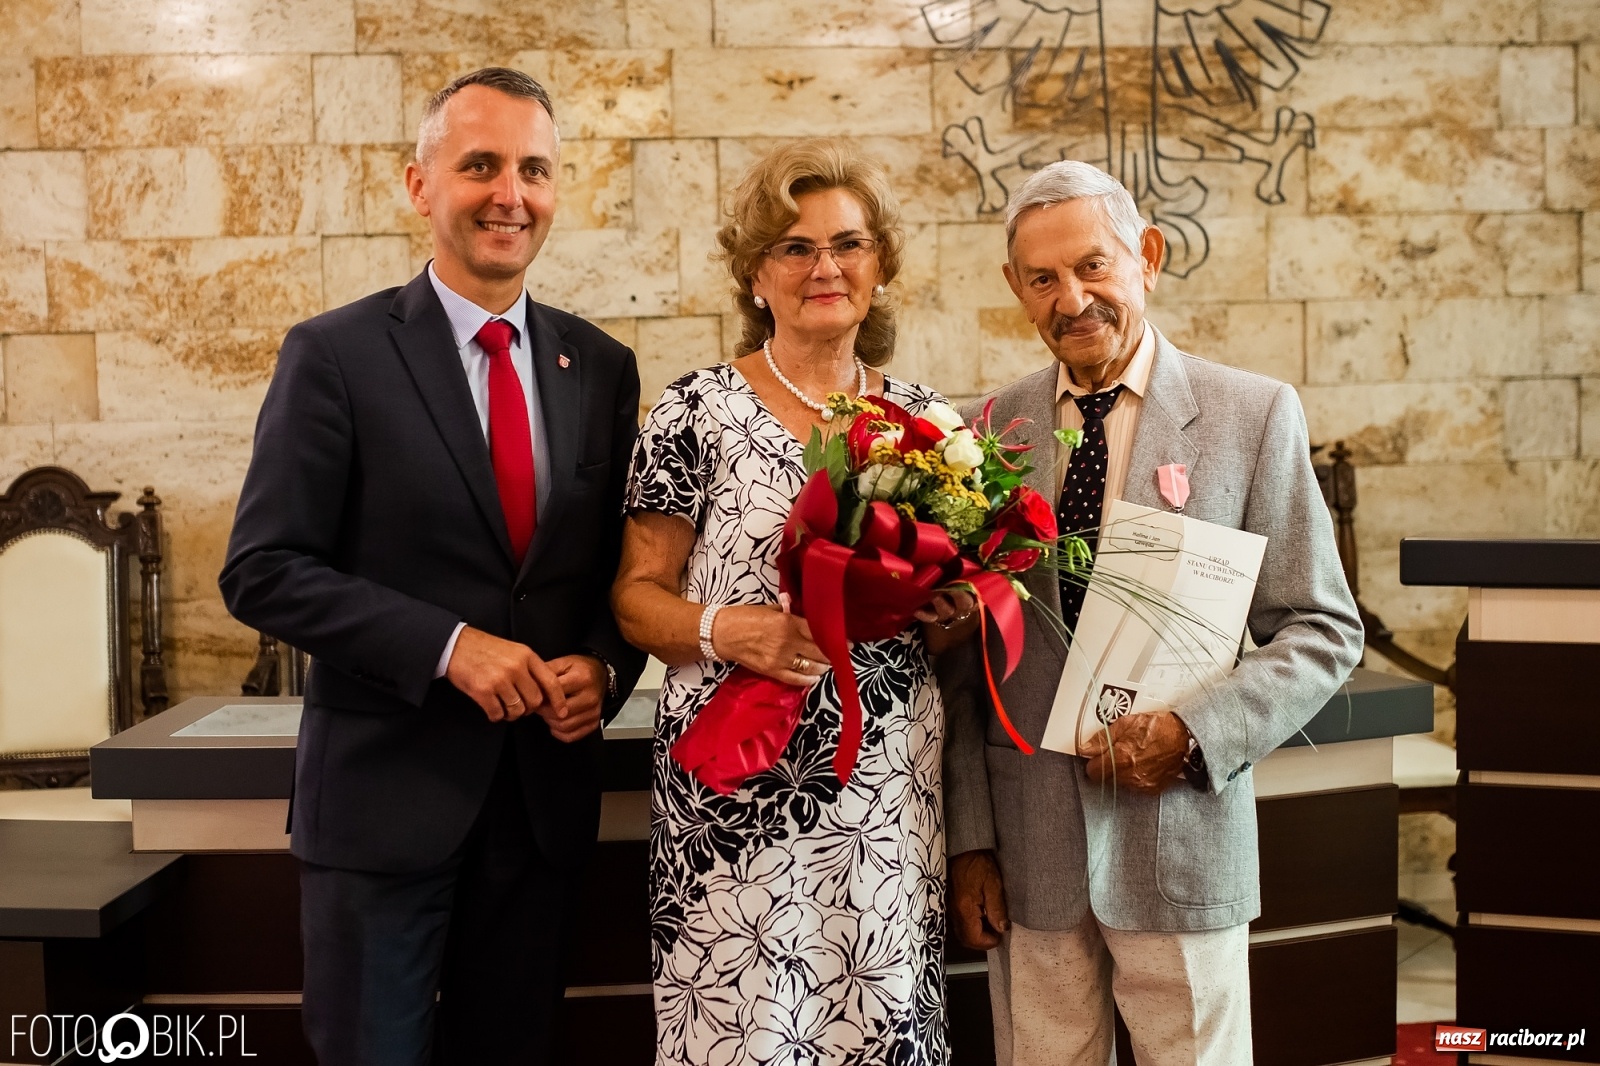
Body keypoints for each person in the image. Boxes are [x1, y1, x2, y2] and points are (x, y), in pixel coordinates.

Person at [219, 67, 644, 1065]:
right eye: (481, 165)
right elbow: (264, 568)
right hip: (381, 811)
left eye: (534, 169)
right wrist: (448, 646)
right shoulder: (334, 355)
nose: (511, 193)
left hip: (539, 811)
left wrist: (601, 665)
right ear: (420, 185)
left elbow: (611, 574)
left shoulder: (603, 367)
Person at [940, 160, 1363, 1066]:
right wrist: (970, 839)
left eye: (1094, 266)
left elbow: (1325, 629)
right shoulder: (982, 434)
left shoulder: (1252, 417)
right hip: (1032, 856)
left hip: (1184, 840)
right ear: (1015, 287)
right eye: (1044, 278)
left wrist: (1197, 731)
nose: (1072, 298)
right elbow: (965, 662)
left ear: (1149, 256)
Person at [611, 139, 974, 1065]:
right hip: (739, 791)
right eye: (795, 247)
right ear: (754, 274)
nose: (826, 267)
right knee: (747, 1035)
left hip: (886, 792)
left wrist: (947, 611)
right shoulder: (695, 412)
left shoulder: (932, 426)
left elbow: (946, 616)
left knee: (879, 1023)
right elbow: (633, 599)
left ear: (880, 265)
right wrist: (727, 627)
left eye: (849, 244)